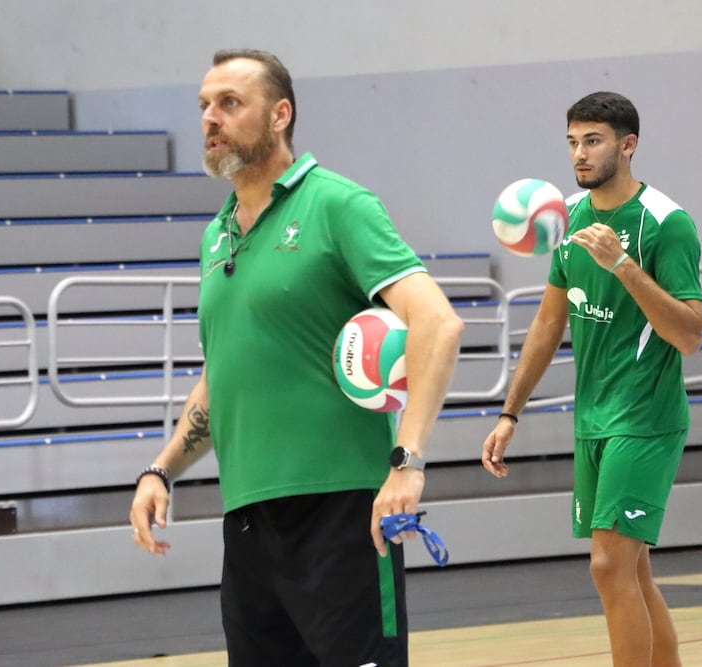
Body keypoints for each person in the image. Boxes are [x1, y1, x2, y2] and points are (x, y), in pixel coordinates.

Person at [129, 49, 463, 667]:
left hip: (342, 515)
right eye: (204, 105)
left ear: (280, 114)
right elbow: (225, 373)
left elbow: (438, 323)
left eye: (230, 103)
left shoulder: (337, 205)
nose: (210, 118)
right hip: (249, 521)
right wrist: (162, 470)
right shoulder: (217, 234)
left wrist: (408, 462)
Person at [481, 91, 702, 667]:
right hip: (594, 418)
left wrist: (623, 265)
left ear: (627, 145)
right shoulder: (571, 221)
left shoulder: (667, 224)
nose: (579, 154)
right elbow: (548, 324)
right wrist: (510, 413)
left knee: (607, 566)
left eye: (593, 141)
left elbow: (690, 334)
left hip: (646, 417)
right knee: (632, 572)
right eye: (573, 143)